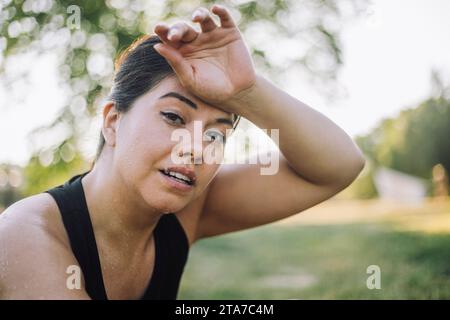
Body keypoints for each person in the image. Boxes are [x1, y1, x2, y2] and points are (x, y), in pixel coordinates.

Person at [0, 5, 365, 299]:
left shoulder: (189, 209)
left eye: (217, 135)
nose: (197, 151)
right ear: (112, 121)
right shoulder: (23, 235)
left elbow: (339, 165)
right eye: (174, 117)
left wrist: (245, 90)